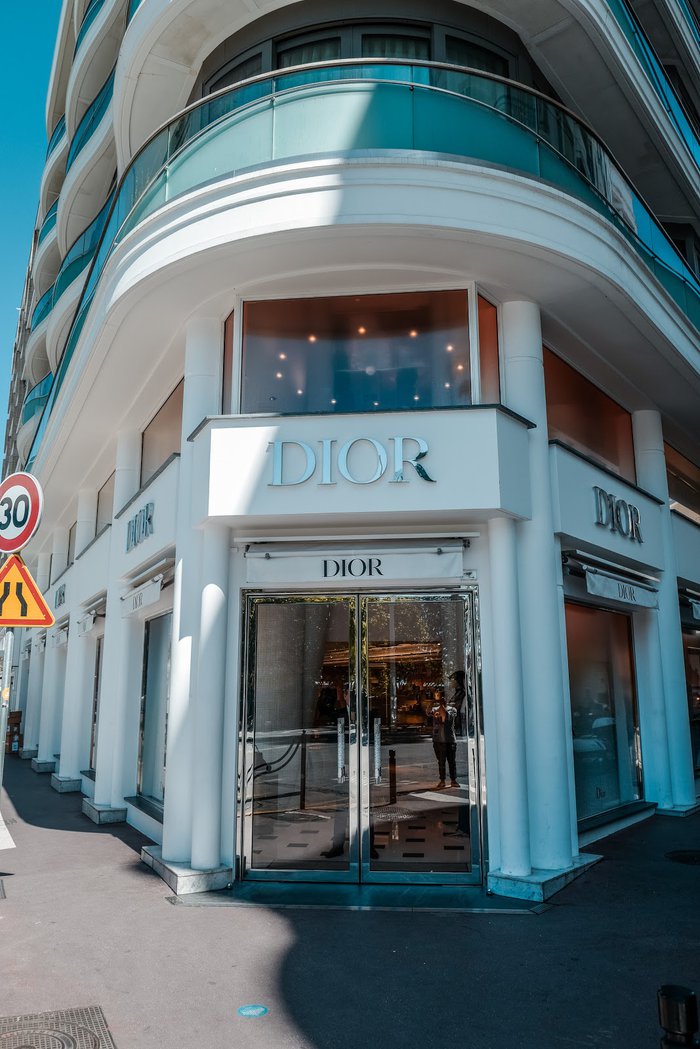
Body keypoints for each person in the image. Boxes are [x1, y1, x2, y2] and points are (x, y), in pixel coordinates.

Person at [431, 694, 459, 788]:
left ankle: (453, 780)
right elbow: (427, 712)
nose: (443, 699)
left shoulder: (452, 710)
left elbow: (446, 719)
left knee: (452, 761)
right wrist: (432, 702)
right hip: (438, 740)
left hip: (450, 740)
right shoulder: (435, 709)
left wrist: (442, 706)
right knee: (441, 762)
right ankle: (442, 780)